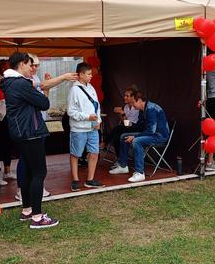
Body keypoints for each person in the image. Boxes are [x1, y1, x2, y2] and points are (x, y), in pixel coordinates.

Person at [0, 52, 58, 229]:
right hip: (31, 131)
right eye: (29, 65)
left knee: (26, 171)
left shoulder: (9, 82)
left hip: (21, 132)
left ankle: (27, 210)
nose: (32, 69)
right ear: (22, 64)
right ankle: (38, 217)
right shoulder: (21, 84)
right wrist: (34, 87)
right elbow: (44, 103)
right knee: (39, 173)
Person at [15, 57, 77, 201]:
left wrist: (48, 86)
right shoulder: (24, 80)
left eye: (37, 65)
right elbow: (42, 85)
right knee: (26, 160)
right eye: (32, 65)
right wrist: (63, 77)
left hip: (38, 123)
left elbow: (44, 100)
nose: (35, 68)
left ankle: (33, 191)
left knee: (36, 162)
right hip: (29, 126)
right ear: (24, 64)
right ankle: (22, 191)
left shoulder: (34, 77)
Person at [109, 92, 169, 183]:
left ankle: (140, 173)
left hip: (159, 136)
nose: (132, 105)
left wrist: (135, 136)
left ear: (140, 101)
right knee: (124, 137)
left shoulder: (151, 109)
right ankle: (123, 166)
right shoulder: (143, 110)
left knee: (137, 141)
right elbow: (141, 127)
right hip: (151, 134)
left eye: (133, 103)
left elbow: (151, 131)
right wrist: (130, 127)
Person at [67, 62, 105, 191]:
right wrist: (87, 117)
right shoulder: (74, 90)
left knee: (94, 153)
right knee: (75, 154)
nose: (91, 76)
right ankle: (75, 180)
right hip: (79, 128)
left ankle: (90, 179)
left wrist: (98, 120)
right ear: (81, 74)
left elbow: (97, 106)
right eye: (88, 74)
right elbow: (70, 112)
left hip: (92, 127)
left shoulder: (91, 88)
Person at [108, 86, 140, 158]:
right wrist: (120, 114)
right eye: (125, 95)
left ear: (133, 97)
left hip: (135, 128)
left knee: (117, 128)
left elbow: (128, 125)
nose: (124, 97)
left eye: (127, 96)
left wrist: (122, 113)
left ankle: (105, 142)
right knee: (116, 136)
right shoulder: (126, 107)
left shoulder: (137, 107)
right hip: (128, 127)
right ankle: (120, 159)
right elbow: (125, 123)